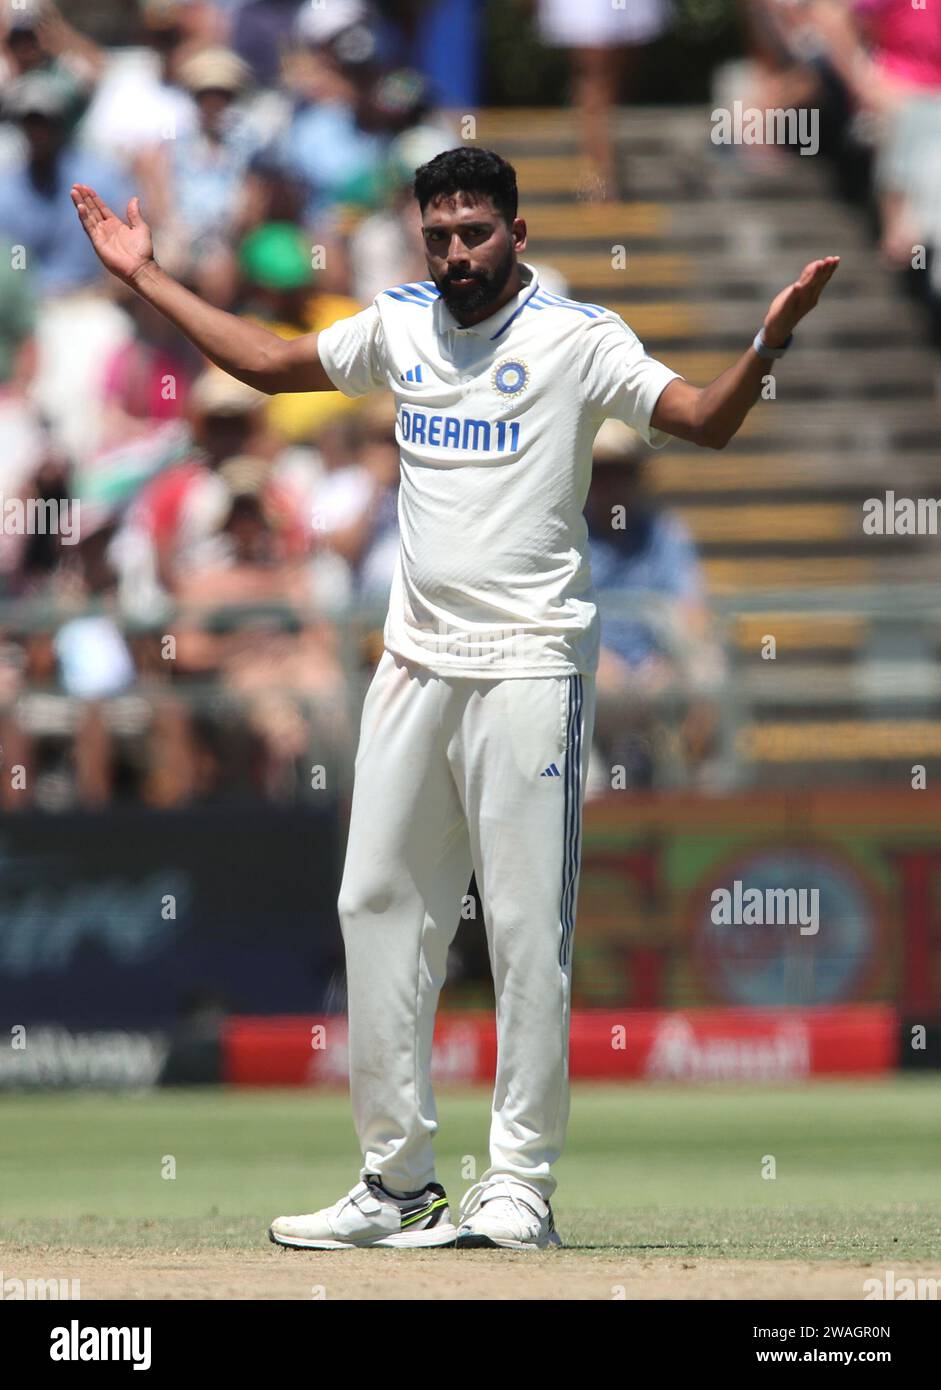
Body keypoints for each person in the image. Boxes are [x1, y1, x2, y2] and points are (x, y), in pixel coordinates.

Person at [71, 145, 839, 1250]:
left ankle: (519, 1182)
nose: (454, 252)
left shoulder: (576, 340)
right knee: (372, 905)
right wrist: (144, 278)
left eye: (474, 231)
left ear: (516, 234)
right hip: (412, 664)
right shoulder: (400, 324)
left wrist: (767, 341)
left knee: (528, 932)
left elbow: (704, 421)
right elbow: (273, 361)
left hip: (528, 664)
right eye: (437, 233)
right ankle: (395, 1183)